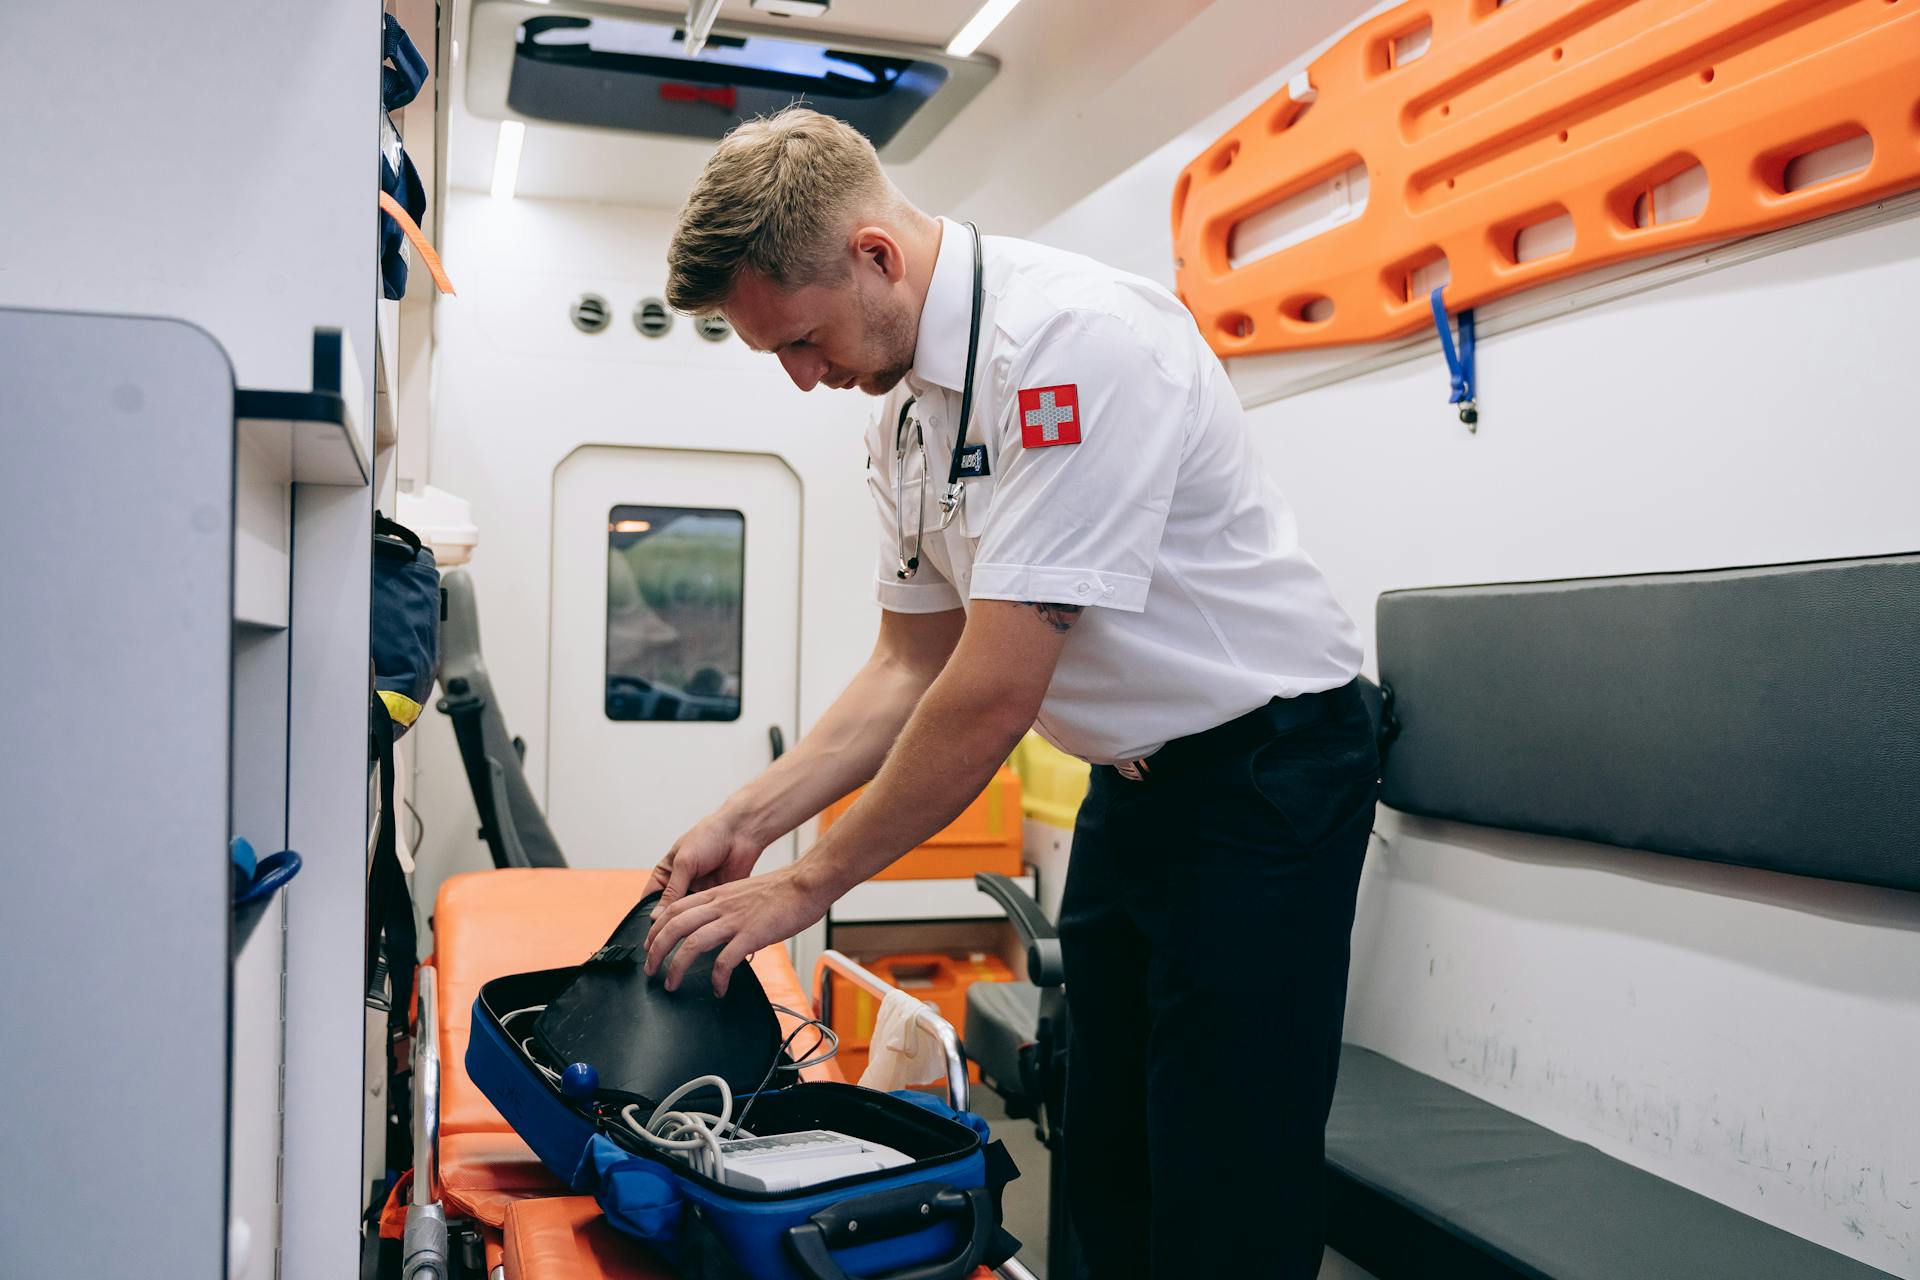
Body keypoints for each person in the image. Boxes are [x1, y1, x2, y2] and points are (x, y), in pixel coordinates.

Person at [641, 107, 1378, 1279]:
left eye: (803, 340)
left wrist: (807, 883)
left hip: (1268, 775)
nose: (802, 378)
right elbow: (905, 665)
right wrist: (749, 817)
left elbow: (987, 695)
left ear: (876, 255)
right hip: (1136, 785)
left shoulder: (1074, 343)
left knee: (1223, 1168)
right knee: (1107, 1154)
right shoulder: (902, 417)